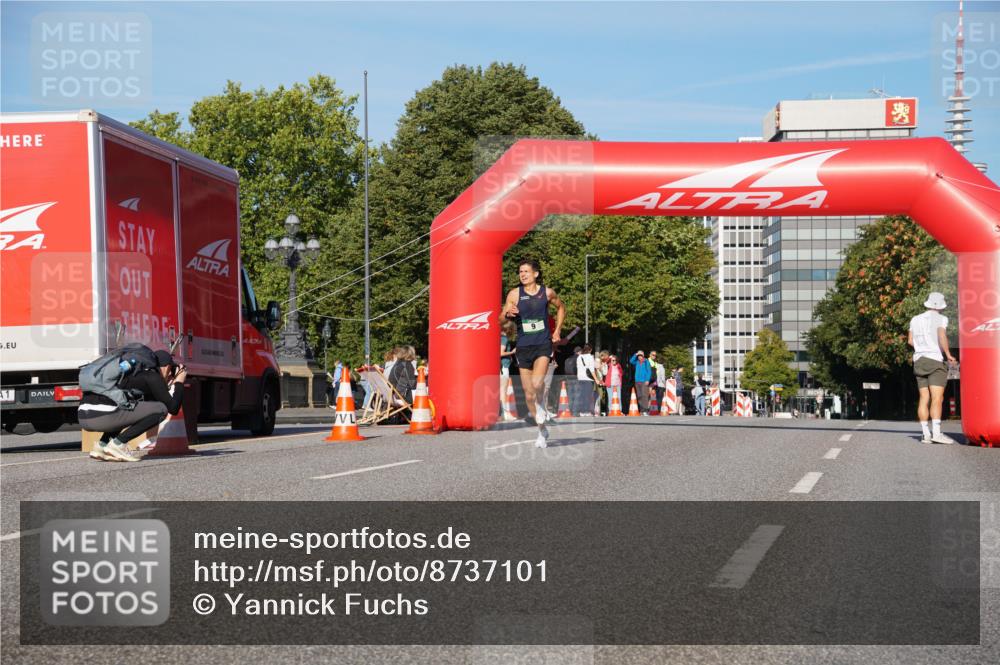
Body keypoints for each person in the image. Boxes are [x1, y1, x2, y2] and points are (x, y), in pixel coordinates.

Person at [501, 259, 566, 448]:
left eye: (526, 272)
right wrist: (508, 314)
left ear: (536, 274)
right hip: (523, 346)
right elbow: (503, 317)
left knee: (538, 383)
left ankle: (541, 410)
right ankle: (542, 430)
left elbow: (561, 308)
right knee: (529, 395)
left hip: (542, 344)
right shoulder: (514, 294)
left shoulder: (546, 293)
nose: (522, 275)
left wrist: (557, 331)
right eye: (520, 272)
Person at [78, 350, 186, 462]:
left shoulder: (131, 373)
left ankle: (102, 445)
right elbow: (173, 408)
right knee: (161, 410)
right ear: (166, 367)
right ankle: (118, 444)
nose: (170, 374)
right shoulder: (152, 376)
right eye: (171, 370)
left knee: (128, 407)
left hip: (83, 416)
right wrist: (179, 382)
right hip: (101, 417)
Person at [908, 292, 958, 444]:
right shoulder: (941, 319)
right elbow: (942, 336)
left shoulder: (915, 319)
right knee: (937, 398)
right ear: (941, 306)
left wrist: (922, 348)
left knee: (924, 398)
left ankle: (925, 435)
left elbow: (910, 341)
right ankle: (936, 433)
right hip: (935, 360)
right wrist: (948, 354)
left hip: (919, 360)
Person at [500, 320, 516, 418]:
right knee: (503, 391)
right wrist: (512, 352)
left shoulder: (499, 338)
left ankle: (503, 413)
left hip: (501, 367)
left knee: (501, 391)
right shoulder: (504, 339)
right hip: (503, 367)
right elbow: (500, 353)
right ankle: (505, 414)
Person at [576, 344, 596, 417]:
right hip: (588, 378)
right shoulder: (590, 357)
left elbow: (578, 367)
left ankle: (582, 411)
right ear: (590, 350)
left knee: (582, 395)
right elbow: (592, 370)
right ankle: (586, 411)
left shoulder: (579, 357)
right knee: (587, 395)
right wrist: (596, 379)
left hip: (580, 378)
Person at [629, 350, 652, 415]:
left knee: (644, 395)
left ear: (643, 356)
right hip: (637, 381)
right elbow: (631, 361)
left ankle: (645, 410)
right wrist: (635, 354)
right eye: (639, 356)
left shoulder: (646, 362)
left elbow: (649, 371)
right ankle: (642, 410)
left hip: (644, 381)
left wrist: (647, 380)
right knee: (639, 396)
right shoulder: (636, 362)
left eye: (641, 355)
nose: (639, 357)